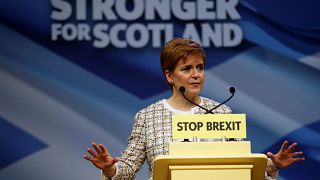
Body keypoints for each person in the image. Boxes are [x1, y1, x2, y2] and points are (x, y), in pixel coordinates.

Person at [83, 38, 305, 180]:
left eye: (199, 67)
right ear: (170, 76)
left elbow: (241, 166)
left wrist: (271, 166)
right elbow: (128, 169)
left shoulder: (221, 113)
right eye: (187, 68)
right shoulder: (148, 117)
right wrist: (110, 169)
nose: (196, 74)